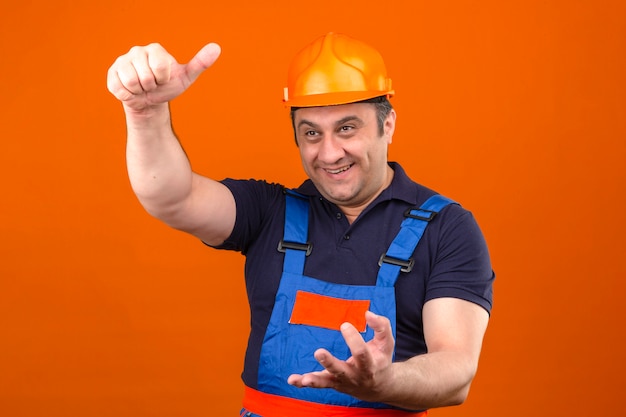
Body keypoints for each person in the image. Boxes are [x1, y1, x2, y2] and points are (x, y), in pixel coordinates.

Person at [107, 32, 494, 416]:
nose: (329, 153)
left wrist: (383, 382)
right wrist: (146, 114)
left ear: (387, 124)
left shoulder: (446, 228)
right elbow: (171, 198)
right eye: (312, 133)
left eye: (347, 128)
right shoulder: (269, 212)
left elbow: (456, 370)